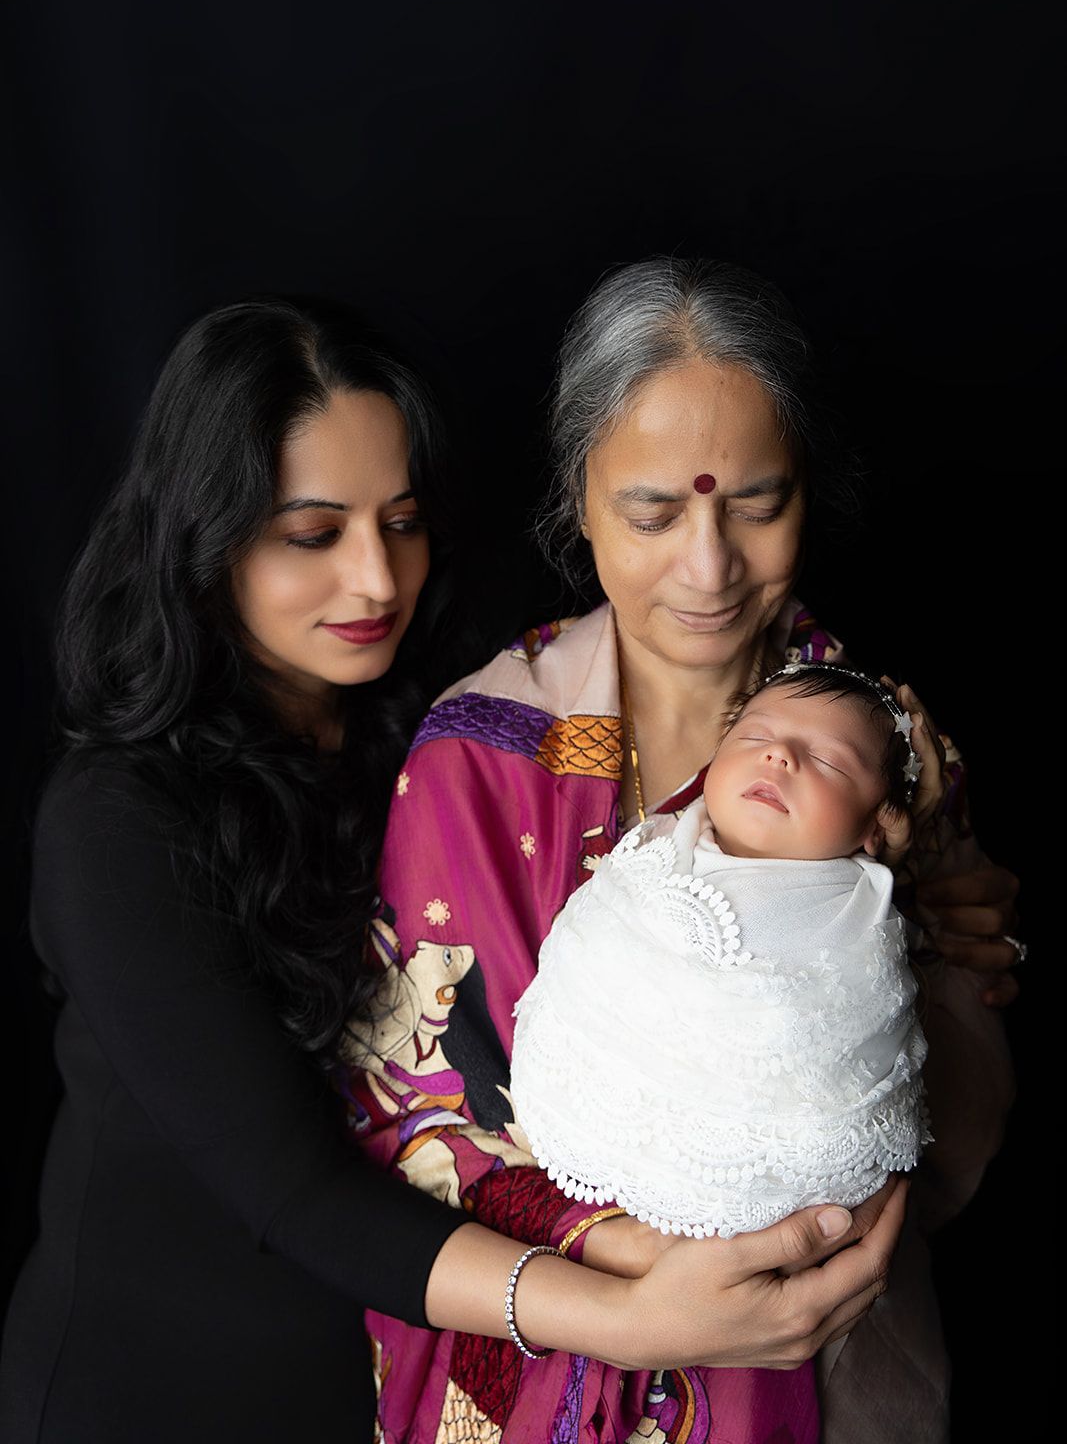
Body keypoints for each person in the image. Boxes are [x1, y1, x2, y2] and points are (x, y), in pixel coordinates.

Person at [0, 296, 903, 1444]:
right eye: (313, 533)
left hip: (387, 1379)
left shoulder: (451, 724)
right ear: (205, 533)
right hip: (167, 1383)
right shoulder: (116, 822)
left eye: (403, 520)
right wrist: (635, 1321)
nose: (377, 580)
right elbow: (301, 1190)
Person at [341, 258, 1018, 1444]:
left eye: (755, 504)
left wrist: (929, 951)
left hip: (821, 1358)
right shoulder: (479, 759)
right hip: (562, 1347)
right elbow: (420, 1118)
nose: (708, 569)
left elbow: (939, 1119)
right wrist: (661, 1281)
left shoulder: (886, 747)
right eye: (653, 511)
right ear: (578, 496)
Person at [511, 663, 930, 1244]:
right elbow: (599, 938)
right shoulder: (661, 842)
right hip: (610, 1114)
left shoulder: (859, 911)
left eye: (830, 761)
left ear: (874, 826)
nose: (778, 756)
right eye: (754, 736)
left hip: (769, 1186)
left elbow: (851, 1031)